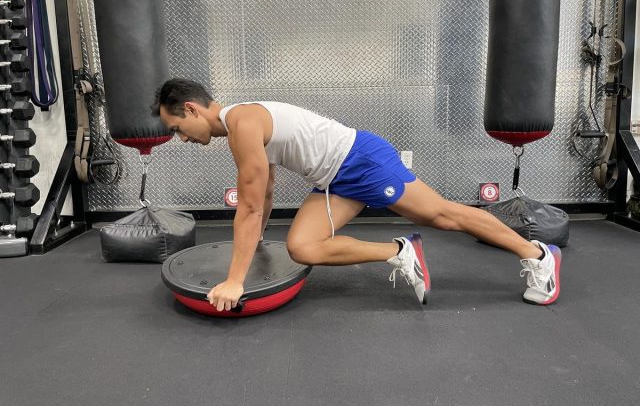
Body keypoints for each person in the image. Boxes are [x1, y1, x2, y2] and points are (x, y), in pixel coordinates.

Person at [151, 78, 561, 311]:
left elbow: (251, 205)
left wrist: (235, 281)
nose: (179, 138)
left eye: (175, 128)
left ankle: (538, 256)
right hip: (334, 180)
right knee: (302, 247)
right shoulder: (243, 121)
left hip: (360, 161)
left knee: (441, 215)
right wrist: (257, 241)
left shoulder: (242, 122)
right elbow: (267, 188)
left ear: (191, 109)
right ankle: (399, 252)